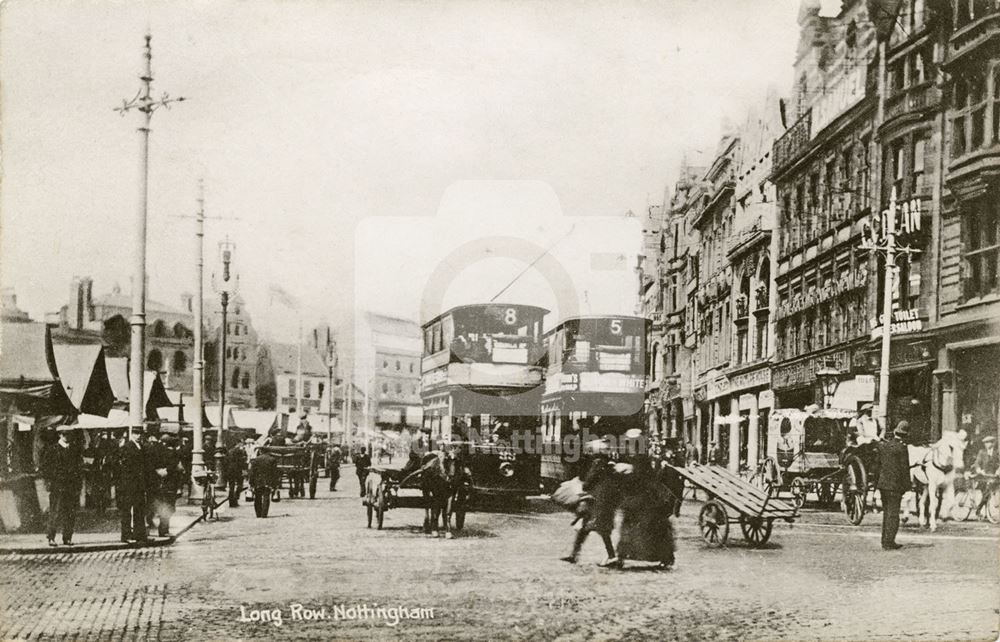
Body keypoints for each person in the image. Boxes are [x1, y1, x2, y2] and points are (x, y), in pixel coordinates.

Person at [561, 440, 620, 566]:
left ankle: (610, 556)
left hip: (596, 500)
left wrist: (583, 487)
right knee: (592, 528)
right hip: (604, 500)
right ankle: (575, 554)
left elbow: (590, 480)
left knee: (592, 528)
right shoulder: (609, 464)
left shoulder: (597, 463)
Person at [616, 455, 675, 570]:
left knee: (631, 531)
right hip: (649, 506)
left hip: (640, 506)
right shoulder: (648, 474)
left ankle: (621, 556)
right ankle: (666, 558)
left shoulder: (636, 474)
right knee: (656, 532)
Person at [44, 428, 83, 546]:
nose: (66, 437)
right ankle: (51, 537)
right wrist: (51, 481)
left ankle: (67, 537)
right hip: (58, 486)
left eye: (68, 434)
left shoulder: (74, 450)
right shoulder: (52, 450)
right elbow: (46, 468)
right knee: (55, 512)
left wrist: (78, 485)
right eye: (64, 434)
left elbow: (79, 468)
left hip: (71, 486)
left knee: (70, 512)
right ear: (60, 435)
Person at [877, 421, 911, 550]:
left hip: (883, 484)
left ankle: (884, 540)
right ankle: (889, 542)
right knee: (893, 514)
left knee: (886, 513)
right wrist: (908, 487)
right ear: (906, 435)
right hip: (895, 486)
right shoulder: (902, 447)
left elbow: (879, 465)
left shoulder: (885, 446)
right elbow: (904, 469)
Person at [116, 430, 149, 543]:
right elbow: (125, 467)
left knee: (139, 509)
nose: (138, 436)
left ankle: (139, 534)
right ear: (132, 434)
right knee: (127, 510)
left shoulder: (141, 447)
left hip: (139, 484)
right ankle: (126, 536)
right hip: (129, 484)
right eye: (136, 434)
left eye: (140, 434)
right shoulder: (127, 447)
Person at [149, 435, 185, 537]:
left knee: (161, 506)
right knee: (168, 507)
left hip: (160, 484)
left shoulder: (157, 453)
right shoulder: (174, 454)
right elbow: (177, 469)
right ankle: (164, 530)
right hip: (170, 484)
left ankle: (155, 527)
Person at [972, 435, 999, 517]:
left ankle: (984, 511)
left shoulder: (996, 452)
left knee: (989, 493)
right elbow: (977, 463)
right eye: (986, 443)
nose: (987, 444)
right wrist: (980, 470)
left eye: (989, 442)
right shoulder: (982, 452)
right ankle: (979, 509)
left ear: (993, 443)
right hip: (983, 476)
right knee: (986, 493)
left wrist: (998, 470)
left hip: (993, 476)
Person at [248, 449, 279, 518]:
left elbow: (252, 472)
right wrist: (275, 484)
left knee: (257, 497)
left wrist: (251, 482)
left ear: (260, 452)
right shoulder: (272, 460)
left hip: (257, 481)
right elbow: (274, 473)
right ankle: (264, 514)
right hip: (268, 481)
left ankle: (258, 513)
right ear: (268, 452)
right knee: (266, 497)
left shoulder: (255, 460)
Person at [224, 440, 248, 507]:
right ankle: (236, 497)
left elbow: (225, 462)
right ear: (238, 443)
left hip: (230, 471)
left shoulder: (229, 451)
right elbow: (242, 461)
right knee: (240, 485)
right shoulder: (239, 451)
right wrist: (244, 469)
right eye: (241, 443)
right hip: (237, 470)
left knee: (231, 486)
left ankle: (231, 501)